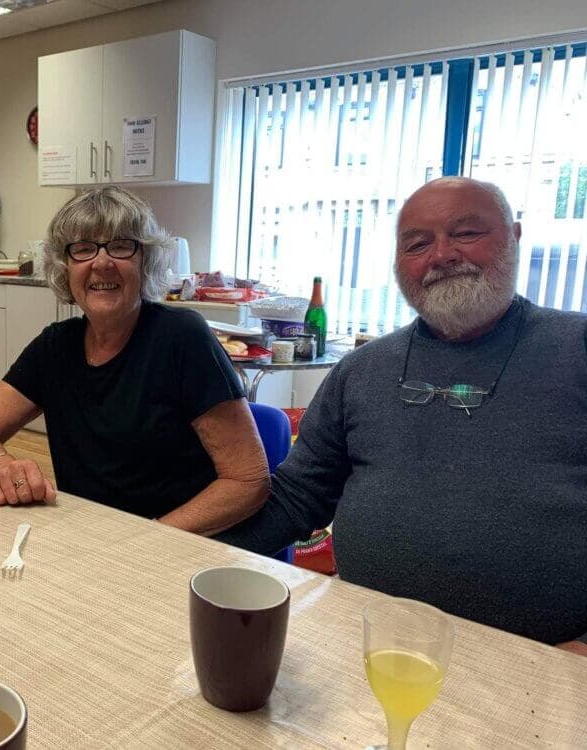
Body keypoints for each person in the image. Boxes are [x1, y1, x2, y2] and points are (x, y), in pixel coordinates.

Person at [220, 177, 587, 653]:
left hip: (542, 663)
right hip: (371, 642)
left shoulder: (575, 350)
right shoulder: (361, 371)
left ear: (514, 238)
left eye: (466, 233)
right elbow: (298, 498)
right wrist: (192, 549)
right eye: (418, 243)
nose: (442, 255)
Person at [0, 186, 269, 537]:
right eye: (83, 249)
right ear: (65, 267)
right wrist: (2, 466)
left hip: (178, 545)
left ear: (144, 261)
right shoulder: (55, 347)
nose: (101, 263)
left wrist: (147, 538)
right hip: (88, 537)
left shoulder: (182, 338)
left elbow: (248, 480)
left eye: (120, 246)